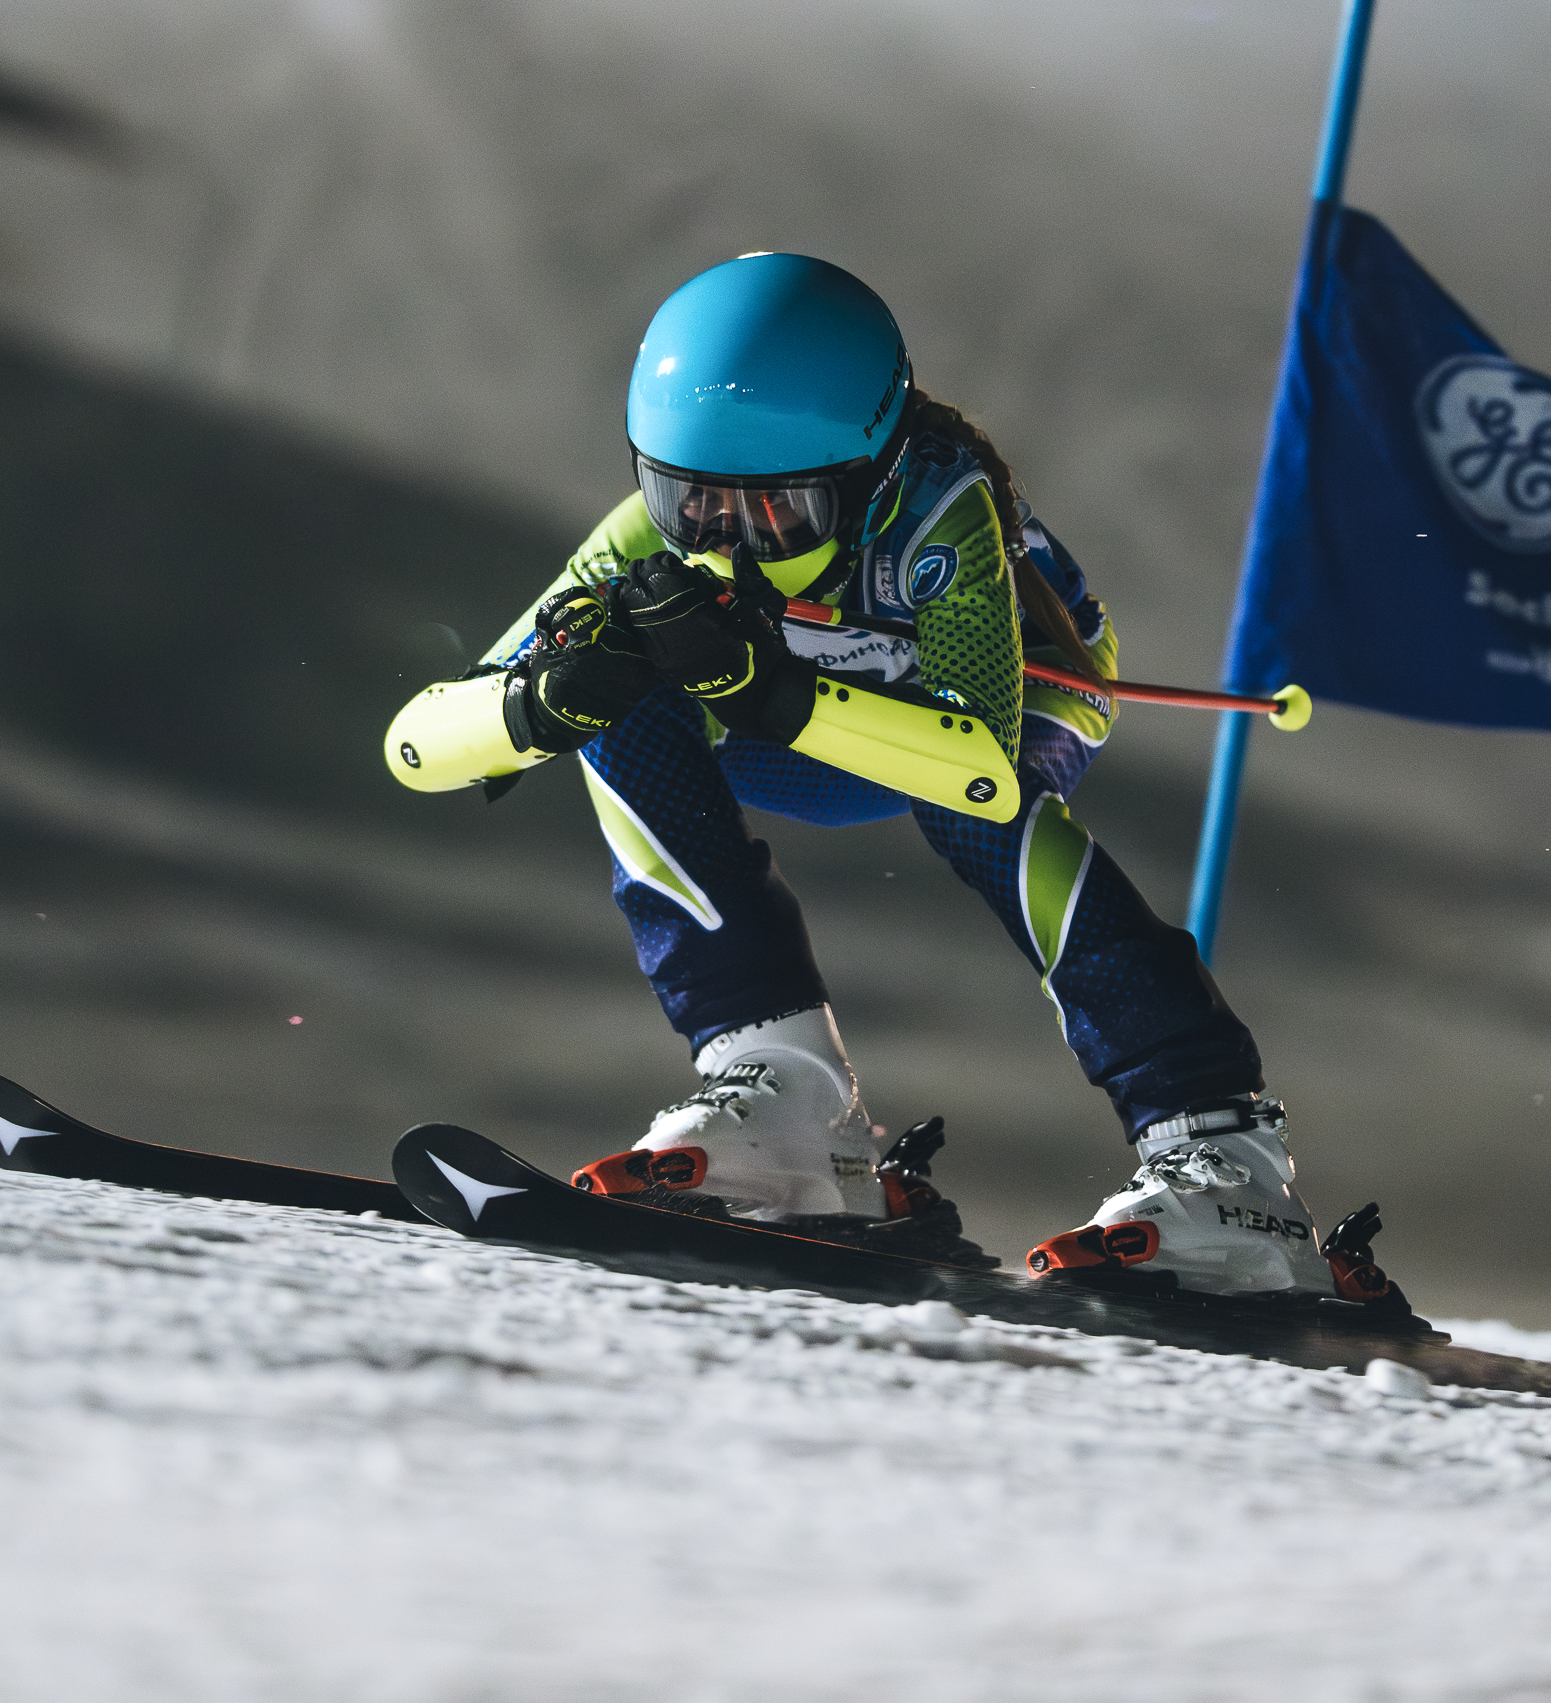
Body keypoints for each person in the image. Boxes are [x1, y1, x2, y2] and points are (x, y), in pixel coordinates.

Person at [384, 251, 1406, 1306]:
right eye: (693, 506)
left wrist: (764, 688)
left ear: (869, 475)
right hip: (796, 725)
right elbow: (417, 749)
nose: (732, 542)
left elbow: (973, 770)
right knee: (621, 704)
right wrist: (543, 702)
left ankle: (1224, 1157)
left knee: (985, 819)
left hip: (1009, 705)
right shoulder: (642, 539)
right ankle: (783, 1096)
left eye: (778, 515)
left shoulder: (937, 512)